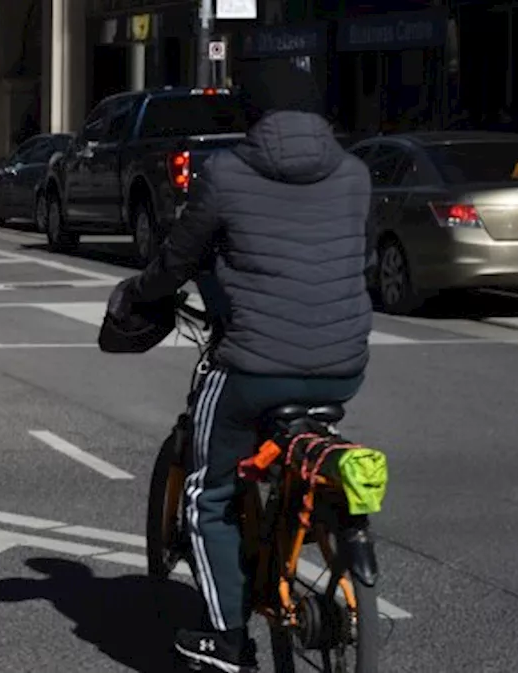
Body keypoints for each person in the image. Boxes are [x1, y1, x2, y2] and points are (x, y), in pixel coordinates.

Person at [106, 59, 372, 672]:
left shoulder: (225, 172)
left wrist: (141, 294)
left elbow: (178, 257)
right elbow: (355, 261)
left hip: (252, 365)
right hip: (343, 364)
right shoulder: (355, 173)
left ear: (249, 114)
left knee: (207, 492)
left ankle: (226, 640)